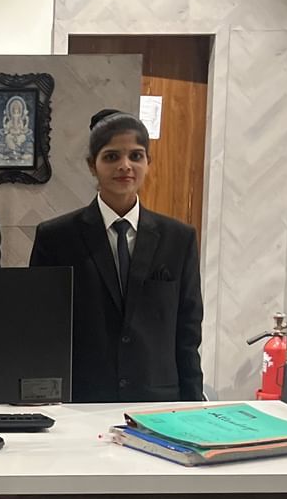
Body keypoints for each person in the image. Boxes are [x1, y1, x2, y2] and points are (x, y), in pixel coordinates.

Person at [28, 109, 203, 402]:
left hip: (158, 401)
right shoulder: (56, 238)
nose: (125, 166)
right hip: (82, 400)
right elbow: (40, 327)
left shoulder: (179, 239)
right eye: (111, 157)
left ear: (149, 162)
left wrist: (193, 403)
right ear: (92, 166)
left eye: (136, 156)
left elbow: (187, 331)